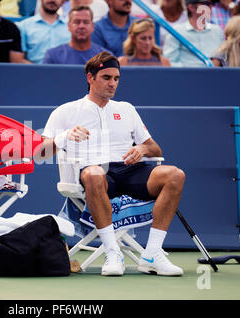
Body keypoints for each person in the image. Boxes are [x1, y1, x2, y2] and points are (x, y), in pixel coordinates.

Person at [38, 51, 185, 276]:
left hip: (129, 169)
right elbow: (40, 153)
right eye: (106, 77)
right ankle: (112, 252)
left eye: (116, 78)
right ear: (90, 78)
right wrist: (64, 137)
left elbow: (155, 149)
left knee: (175, 174)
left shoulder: (126, 109)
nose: (112, 83)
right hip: (93, 172)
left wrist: (142, 149)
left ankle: (152, 254)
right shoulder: (66, 111)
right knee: (95, 174)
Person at [163, 0, 224, 67]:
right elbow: (169, 61)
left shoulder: (218, 31)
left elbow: (223, 60)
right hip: (185, 75)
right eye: (205, 4)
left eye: (210, 4)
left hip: (213, 75)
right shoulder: (176, 31)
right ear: (191, 7)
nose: (210, 7)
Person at [43, 6, 109, 64]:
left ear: (92, 26)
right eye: (77, 22)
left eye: (86, 22)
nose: (81, 26)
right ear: (69, 26)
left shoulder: (106, 57)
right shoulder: (53, 56)